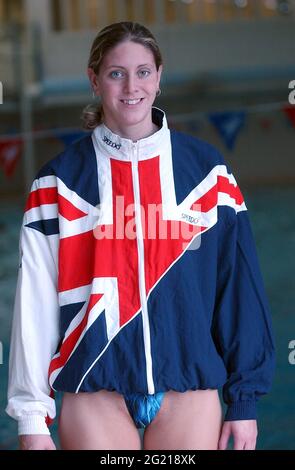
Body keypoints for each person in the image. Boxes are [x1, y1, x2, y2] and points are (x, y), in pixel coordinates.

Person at [6, 21, 275, 451]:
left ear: (160, 76)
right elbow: (34, 302)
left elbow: (239, 287)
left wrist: (244, 402)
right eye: (116, 73)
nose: (132, 86)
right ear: (95, 80)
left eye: (143, 71)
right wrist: (32, 416)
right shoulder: (58, 182)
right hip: (94, 390)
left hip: (188, 388)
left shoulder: (207, 173)